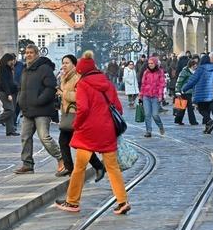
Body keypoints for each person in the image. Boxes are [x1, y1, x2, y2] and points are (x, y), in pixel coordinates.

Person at [54, 51, 130, 215]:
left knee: (79, 167)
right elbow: (118, 108)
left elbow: (83, 109)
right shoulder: (107, 84)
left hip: (88, 132)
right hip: (107, 131)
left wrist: (77, 125)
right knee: (112, 167)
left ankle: (72, 201)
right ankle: (122, 201)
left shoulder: (83, 84)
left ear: (81, 71)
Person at [13, 45, 64, 175]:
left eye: (31, 53)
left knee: (44, 137)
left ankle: (61, 158)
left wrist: (39, 100)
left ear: (37, 54)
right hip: (27, 109)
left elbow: (51, 87)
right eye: (27, 53)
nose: (28, 55)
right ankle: (27, 164)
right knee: (25, 137)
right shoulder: (26, 69)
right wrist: (20, 100)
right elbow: (21, 88)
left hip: (42, 109)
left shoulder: (44, 68)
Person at [56, 54, 105, 180]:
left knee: (79, 144)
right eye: (63, 63)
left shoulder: (78, 78)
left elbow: (80, 96)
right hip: (68, 114)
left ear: (73, 64)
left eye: (66, 63)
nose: (64, 66)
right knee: (67, 142)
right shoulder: (64, 77)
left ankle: (97, 166)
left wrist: (63, 93)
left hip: (77, 114)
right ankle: (72, 168)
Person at [182, 54, 213, 134]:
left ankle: (209, 121)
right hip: (210, 93)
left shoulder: (200, 69)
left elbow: (193, 80)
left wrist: (184, 88)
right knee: (207, 110)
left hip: (201, 93)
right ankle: (207, 127)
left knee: (201, 109)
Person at [0, 53, 19, 136]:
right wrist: (8, 94)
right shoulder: (3, 68)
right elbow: (4, 82)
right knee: (10, 110)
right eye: (11, 60)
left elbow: (10, 81)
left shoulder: (9, 68)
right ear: (7, 60)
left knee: (9, 111)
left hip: (10, 91)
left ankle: (10, 130)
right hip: (4, 92)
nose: (13, 62)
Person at [138, 56, 166, 138]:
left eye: (152, 63)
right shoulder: (146, 72)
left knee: (155, 115)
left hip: (155, 96)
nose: (150, 65)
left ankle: (160, 126)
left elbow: (162, 85)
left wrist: (160, 95)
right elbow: (143, 84)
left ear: (155, 63)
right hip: (146, 95)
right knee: (147, 114)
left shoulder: (160, 72)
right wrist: (141, 96)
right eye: (149, 63)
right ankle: (148, 131)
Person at [174, 59, 199, 126]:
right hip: (184, 91)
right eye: (195, 65)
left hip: (191, 92)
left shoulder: (195, 72)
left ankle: (178, 120)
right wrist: (177, 91)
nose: (196, 66)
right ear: (191, 65)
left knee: (183, 107)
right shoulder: (184, 71)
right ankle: (192, 121)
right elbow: (179, 81)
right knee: (186, 107)